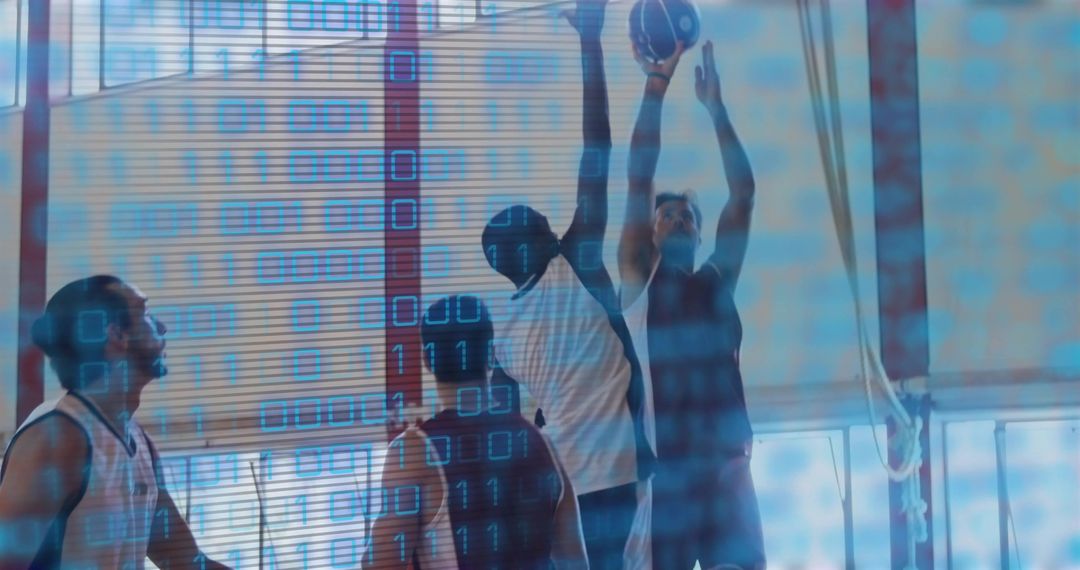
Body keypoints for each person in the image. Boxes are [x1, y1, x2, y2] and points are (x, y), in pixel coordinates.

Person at [479, 1, 654, 568]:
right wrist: (590, 41)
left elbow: (505, 427)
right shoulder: (574, 259)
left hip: (559, 487)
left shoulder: (502, 340)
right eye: (543, 220)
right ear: (542, 241)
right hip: (614, 476)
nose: (556, 221)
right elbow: (597, 147)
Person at [618, 40, 766, 569]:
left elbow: (743, 193)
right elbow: (638, 177)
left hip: (728, 468)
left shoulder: (716, 282)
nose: (680, 220)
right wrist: (656, 86)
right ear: (652, 235)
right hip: (671, 476)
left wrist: (717, 108)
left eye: (689, 218)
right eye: (669, 217)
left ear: (701, 237)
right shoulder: (640, 277)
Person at [0, 275, 230, 569]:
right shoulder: (58, 438)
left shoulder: (139, 442)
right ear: (116, 336)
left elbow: (186, 562)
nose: (162, 327)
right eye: (145, 314)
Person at [366, 296, 589, 569]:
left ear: (426, 360)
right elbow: (576, 562)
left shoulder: (414, 453)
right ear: (491, 355)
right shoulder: (543, 443)